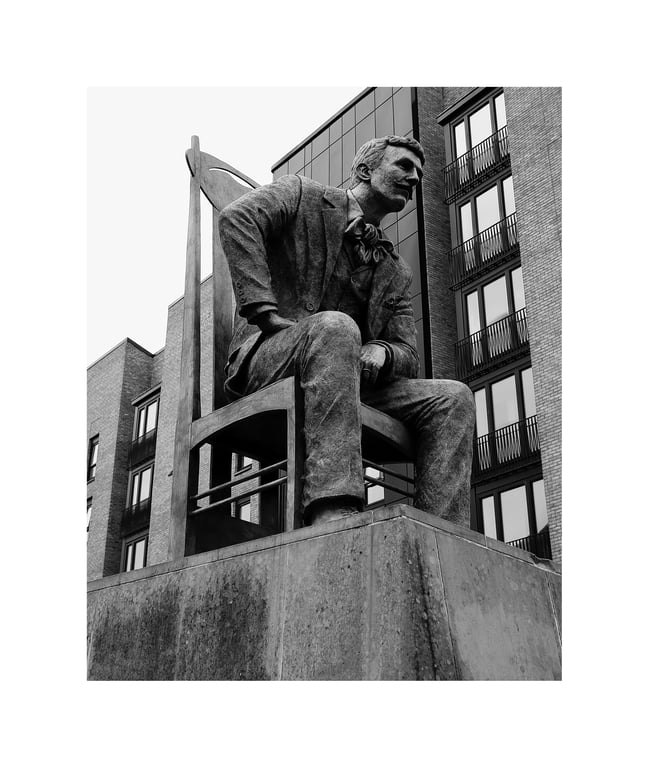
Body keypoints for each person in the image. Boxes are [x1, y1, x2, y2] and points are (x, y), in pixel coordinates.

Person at [218, 135, 475, 527]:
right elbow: (236, 218)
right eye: (404, 166)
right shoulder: (302, 195)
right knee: (337, 327)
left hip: (351, 380)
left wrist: (383, 351)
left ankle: (440, 533)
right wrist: (264, 311)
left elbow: (408, 352)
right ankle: (333, 511)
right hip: (270, 359)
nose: (414, 177)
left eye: (419, 173)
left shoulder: (395, 269)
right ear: (365, 170)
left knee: (454, 398)